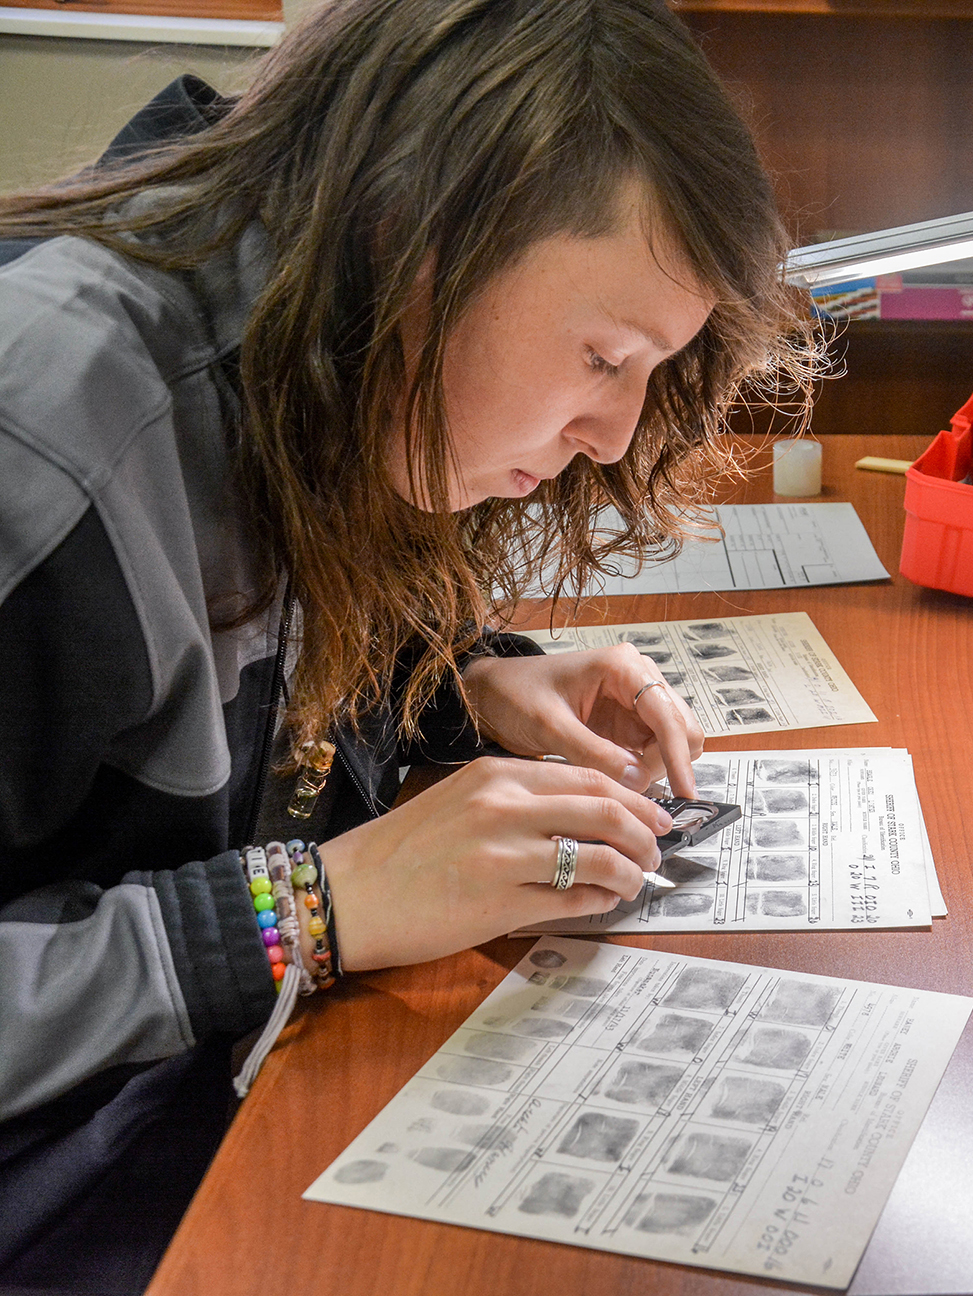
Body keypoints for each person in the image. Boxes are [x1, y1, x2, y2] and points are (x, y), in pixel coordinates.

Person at [0, 1, 817, 1289]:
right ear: (410, 241)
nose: (613, 432)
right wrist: (305, 914)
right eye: (602, 354)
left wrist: (458, 676)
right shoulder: (45, 433)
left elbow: (244, 683)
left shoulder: (302, 350)